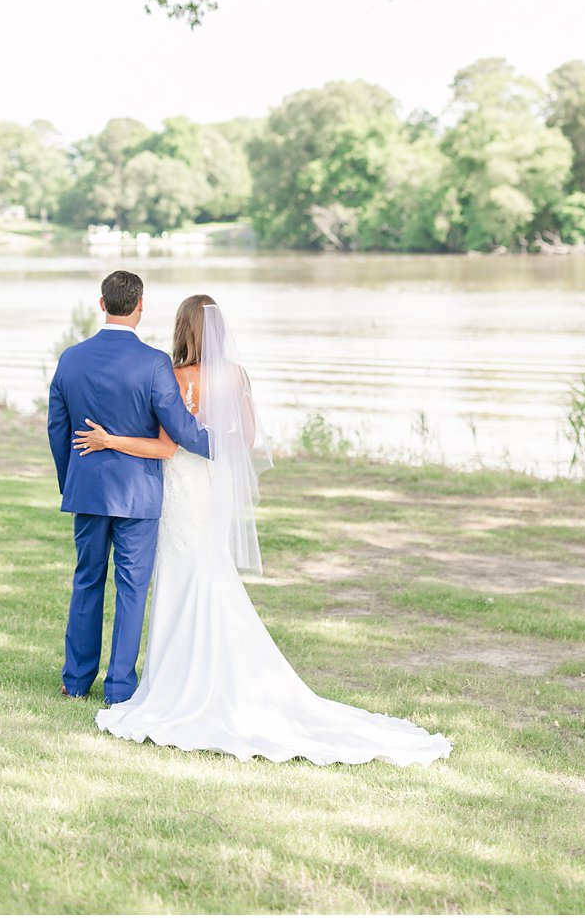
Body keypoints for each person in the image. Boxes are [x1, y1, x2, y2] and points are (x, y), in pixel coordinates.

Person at [74, 294, 451, 767]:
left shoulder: (173, 375)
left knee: (175, 579)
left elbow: (167, 447)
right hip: (212, 490)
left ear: (180, 329)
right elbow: (246, 441)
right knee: (212, 574)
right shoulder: (236, 375)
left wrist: (111, 440)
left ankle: (173, 681)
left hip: (179, 491)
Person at [49, 269, 211, 705]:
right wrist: (226, 445)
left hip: (87, 490)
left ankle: (76, 681)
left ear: (101, 304)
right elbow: (181, 429)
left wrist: (73, 482)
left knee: (87, 581)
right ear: (140, 307)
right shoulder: (154, 363)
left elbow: (57, 428)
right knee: (132, 588)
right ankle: (120, 688)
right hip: (138, 495)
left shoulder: (71, 358)